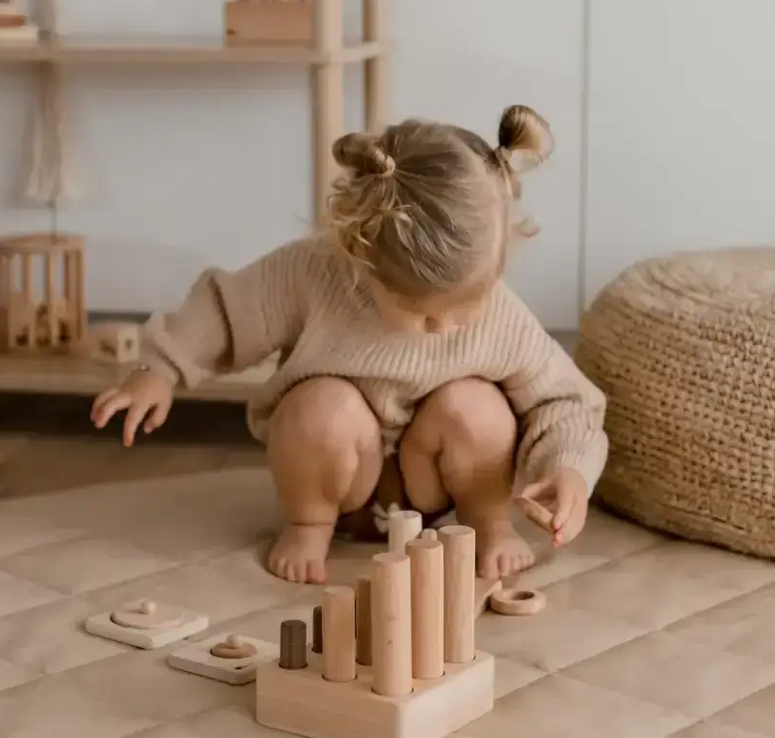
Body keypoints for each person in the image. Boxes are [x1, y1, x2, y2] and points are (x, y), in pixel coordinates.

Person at [90, 105, 608, 584]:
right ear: (360, 256)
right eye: (421, 311)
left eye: (463, 308)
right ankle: (307, 527)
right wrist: (159, 369)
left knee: (477, 408)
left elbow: (564, 401)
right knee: (320, 405)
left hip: (436, 491)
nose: (443, 328)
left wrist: (568, 470)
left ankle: (489, 526)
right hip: (339, 484)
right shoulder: (314, 273)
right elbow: (228, 311)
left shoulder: (499, 315)